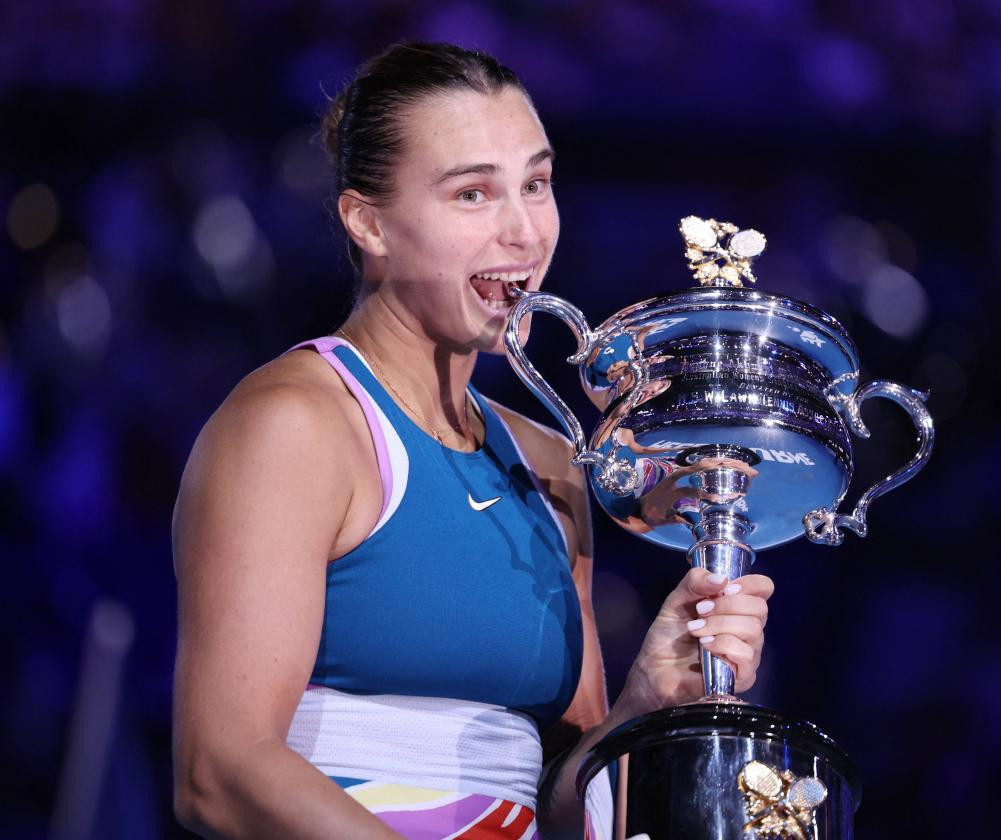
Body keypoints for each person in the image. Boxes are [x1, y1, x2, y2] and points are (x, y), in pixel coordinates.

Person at [171, 40, 773, 840]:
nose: (523, 232)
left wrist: (643, 703)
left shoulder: (552, 459)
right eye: (473, 195)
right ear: (369, 223)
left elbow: (554, 798)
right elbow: (221, 770)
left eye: (535, 183)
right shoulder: (296, 425)